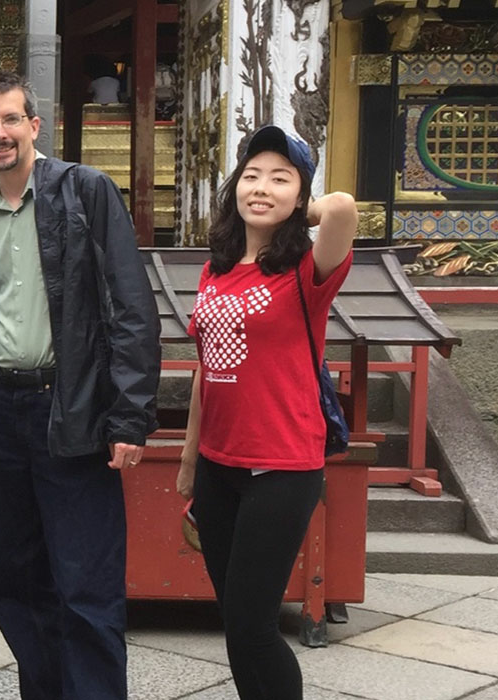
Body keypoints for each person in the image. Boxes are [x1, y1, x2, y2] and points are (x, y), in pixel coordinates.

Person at [0, 70, 160, 700]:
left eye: (11, 119)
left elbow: (131, 306)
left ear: (33, 125)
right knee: (12, 581)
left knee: (84, 583)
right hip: (3, 410)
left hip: (69, 409)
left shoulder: (84, 191)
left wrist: (129, 416)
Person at [177, 125, 356, 700]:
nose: (262, 187)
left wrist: (292, 211)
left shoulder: (308, 272)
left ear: (302, 196)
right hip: (217, 464)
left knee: (255, 625)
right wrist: (188, 462)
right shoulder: (217, 270)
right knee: (235, 622)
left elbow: (346, 209)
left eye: (281, 178)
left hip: (282, 465)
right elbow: (208, 368)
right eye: (251, 176)